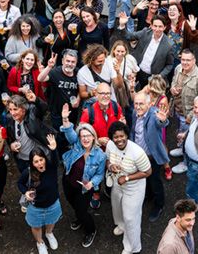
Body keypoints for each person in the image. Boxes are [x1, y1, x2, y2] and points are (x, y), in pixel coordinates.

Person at [58, 111, 104, 248]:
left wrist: (92, 183)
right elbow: (69, 132)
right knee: (72, 203)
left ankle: (91, 230)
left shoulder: (100, 155)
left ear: (93, 137)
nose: (85, 139)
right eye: (82, 136)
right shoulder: (77, 145)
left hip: (85, 187)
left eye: (88, 135)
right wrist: (65, 118)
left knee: (83, 211)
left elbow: (100, 174)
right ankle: (78, 218)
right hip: (68, 182)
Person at [105, 121, 152, 254]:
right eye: (116, 137)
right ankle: (121, 225)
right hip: (117, 183)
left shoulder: (137, 152)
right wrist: (110, 166)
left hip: (134, 187)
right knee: (117, 207)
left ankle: (132, 246)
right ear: (112, 138)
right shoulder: (110, 145)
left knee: (131, 218)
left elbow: (148, 172)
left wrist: (126, 178)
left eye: (122, 136)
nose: (119, 140)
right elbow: (108, 160)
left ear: (127, 135)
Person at [130, 91, 169, 222]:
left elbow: (160, 122)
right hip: (139, 157)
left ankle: (159, 205)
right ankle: (149, 195)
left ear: (149, 104)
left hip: (152, 157)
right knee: (144, 179)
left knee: (155, 181)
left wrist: (163, 120)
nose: (138, 107)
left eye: (141, 104)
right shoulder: (135, 113)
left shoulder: (154, 114)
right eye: (136, 103)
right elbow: (133, 131)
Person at [17, 143, 62, 254]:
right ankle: (40, 242)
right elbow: (20, 183)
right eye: (36, 161)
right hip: (36, 207)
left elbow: (56, 159)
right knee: (36, 227)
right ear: (32, 163)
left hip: (53, 204)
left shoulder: (51, 167)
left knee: (51, 221)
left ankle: (49, 233)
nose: (39, 163)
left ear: (45, 159)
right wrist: (25, 192)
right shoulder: (28, 172)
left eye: (41, 160)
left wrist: (53, 149)